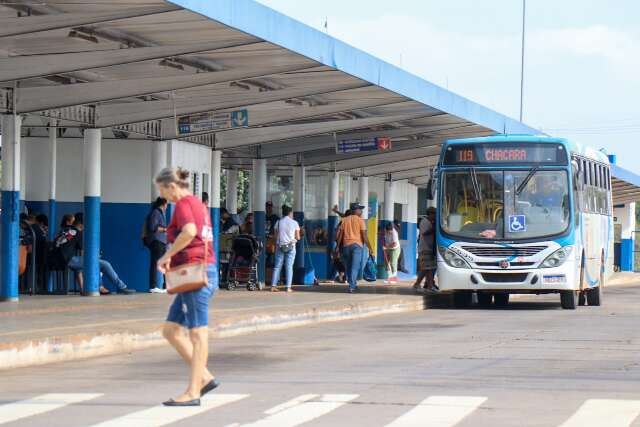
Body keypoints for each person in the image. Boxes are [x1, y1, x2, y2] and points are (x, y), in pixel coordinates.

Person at [155, 167, 219, 407]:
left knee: (197, 332)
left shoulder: (183, 205)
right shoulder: (198, 204)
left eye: (162, 189)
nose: (163, 195)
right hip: (194, 272)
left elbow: (190, 232)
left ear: (171, 186)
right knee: (171, 330)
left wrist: (166, 255)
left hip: (196, 272)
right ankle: (204, 377)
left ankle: (193, 392)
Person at [66, 213, 134, 295]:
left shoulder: (67, 230)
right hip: (68, 260)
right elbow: (84, 254)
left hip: (58, 260)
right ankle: (121, 287)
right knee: (104, 264)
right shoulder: (79, 233)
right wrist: (95, 258)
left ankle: (97, 287)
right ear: (81, 224)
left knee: (90, 263)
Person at [335, 203, 373, 293]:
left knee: (348, 266)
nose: (361, 211)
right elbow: (364, 236)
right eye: (360, 209)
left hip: (346, 246)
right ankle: (352, 286)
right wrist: (370, 247)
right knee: (354, 267)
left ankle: (353, 283)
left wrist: (337, 247)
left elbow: (340, 235)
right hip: (357, 246)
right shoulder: (360, 221)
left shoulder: (344, 220)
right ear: (355, 210)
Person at [270, 205, 300, 293]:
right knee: (289, 267)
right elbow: (297, 237)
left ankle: (273, 286)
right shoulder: (294, 223)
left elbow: (276, 236)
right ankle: (288, 287)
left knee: (277, 266)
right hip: (291, 246)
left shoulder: (278, 222)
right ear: (290, 213)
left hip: (280, 246)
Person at [146, 197, 168, 294]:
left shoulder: (160, 213)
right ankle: (153, 286)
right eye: (166, 204)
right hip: (157, 241)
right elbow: (152, 227)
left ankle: (166, 285)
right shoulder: (156, 212)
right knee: (155, 264)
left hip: (161, 242)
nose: (167, 206)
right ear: (163, 204)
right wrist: (164, 229)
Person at [413, 207, 438, 292]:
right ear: (430, 214)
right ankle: (417, 284)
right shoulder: (425, 222)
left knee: (430, 268)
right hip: (425, 248)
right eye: (434, 214)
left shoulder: (430, 222)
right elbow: (424, 233)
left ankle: (430, 286)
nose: (435, 216)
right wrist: (434, 229)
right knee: (425, 268)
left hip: (430, 248)